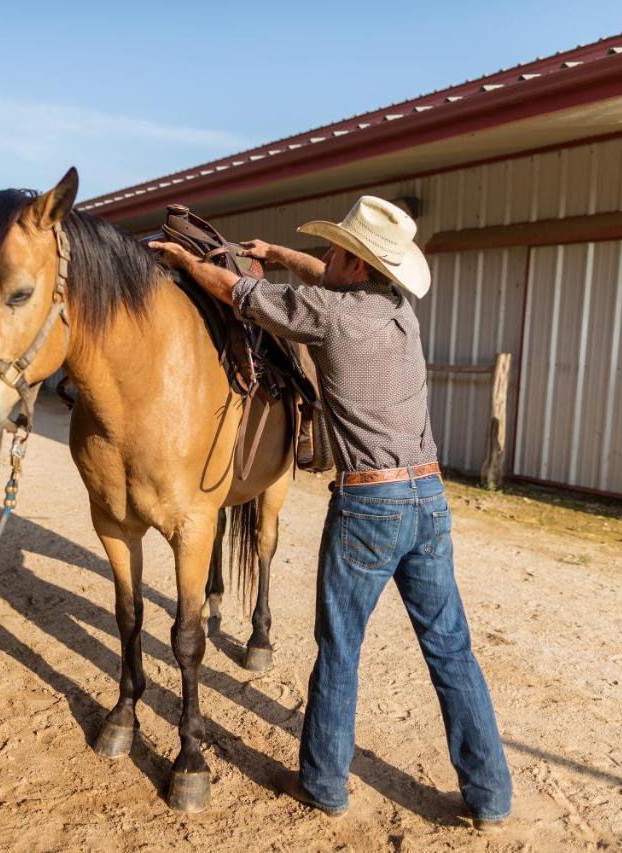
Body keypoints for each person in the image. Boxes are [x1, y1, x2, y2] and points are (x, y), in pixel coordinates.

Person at [149, 196, 512, 831]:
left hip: (370, 503)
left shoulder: (328, 317)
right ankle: (491, 795)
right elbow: (322, 280)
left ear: (352, 262)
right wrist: (280, 255)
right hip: (429, 496)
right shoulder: (400, 311)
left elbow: (236, 293)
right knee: (452, 650)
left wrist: (187, 261)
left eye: (334, 252)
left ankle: (323, 782)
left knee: (340, 647)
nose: (323, 260)